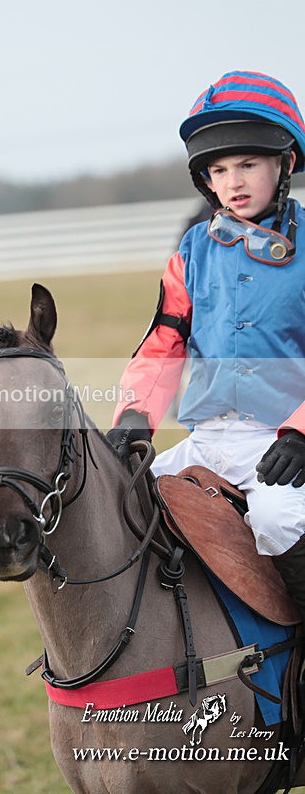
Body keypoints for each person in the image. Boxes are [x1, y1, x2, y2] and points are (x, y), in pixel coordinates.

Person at [107, 70, 305, 623]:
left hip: (283, 442)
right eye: (219, 171)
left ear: (285, 164)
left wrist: (301, 432)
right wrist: (135, 416)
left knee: (277, 520)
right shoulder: (192, 251)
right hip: (208, 438)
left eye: (247, 165)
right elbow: (165, 340)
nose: (233, 182)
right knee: (119, 499)